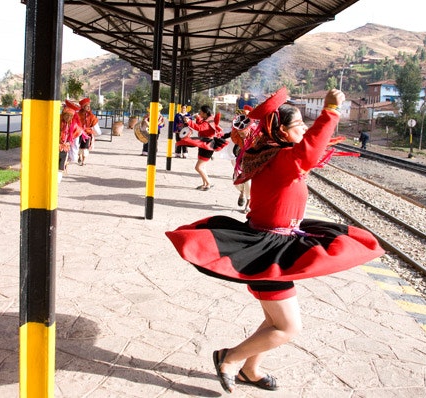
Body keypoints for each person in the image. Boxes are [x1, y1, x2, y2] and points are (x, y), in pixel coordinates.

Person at [165, 87, 384, 393]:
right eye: (300, 126)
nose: (305, 130)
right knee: (287, 327)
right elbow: (310, 150)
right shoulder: (282, 158)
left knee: (273, 323)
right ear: (281, 131)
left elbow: (306, 151)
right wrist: (331, 112)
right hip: (267, 251)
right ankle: (229, 359)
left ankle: (251, 370)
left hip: (274, 244)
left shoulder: (271, 153)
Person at [177, 105, 227, 190]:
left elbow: (200, 127)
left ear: (204, 113)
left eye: (200, 112)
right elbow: (201, 125)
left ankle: (208, 183)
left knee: (198, 167)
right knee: (202, 167)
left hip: (207, 146)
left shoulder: (209, 122)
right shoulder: (208, 120)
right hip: (205, 145)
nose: (199, 113)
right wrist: (197, 118)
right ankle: (205, 184)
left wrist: (189, 121)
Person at [230, 105, 257, 211]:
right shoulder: (238, 133)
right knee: (236, 179)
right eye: (239, 133)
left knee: (249, 183)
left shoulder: (256, 133)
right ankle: (241, 192)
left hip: (253, 159)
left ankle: (248, 202)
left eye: (242, 133)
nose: (240, 135)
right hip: (241, 157)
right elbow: (234, 137)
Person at [60, 101, 84, 181]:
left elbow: (78, 133)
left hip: (65, 148)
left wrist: (68, 142)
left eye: (70, 116)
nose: (68, 118)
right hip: (55, 146)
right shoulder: (57, 122)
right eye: (66, 115)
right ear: (63, 114)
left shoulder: (74, 126)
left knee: (61, 165)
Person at [76, 97, 99, 165]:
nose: (88, 107)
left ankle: (83, 161)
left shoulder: (91, 115)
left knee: (85, 147)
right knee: (78, 146)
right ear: (83, 107)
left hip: (87, 133)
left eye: (89, 106)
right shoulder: (77, 114)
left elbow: (94, 122)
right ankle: (79, 157)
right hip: (78, 132)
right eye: (87, 106)